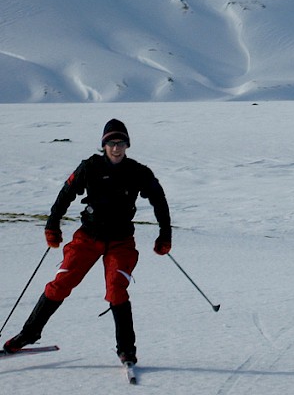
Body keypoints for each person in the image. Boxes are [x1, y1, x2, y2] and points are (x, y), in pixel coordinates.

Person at [3, 119, 172, 368]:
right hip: (87, 238)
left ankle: (126, 351)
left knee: (116, 289)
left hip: (120, 241)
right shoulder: (89, 167)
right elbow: (66, 194)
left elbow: (159, 200)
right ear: (104, 145)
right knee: (61, 283)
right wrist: (52, 225)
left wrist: (165, 235)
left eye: (121, 143)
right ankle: (29, 334)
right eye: (111, 143)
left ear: (127, 145)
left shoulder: (138, 172)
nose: (116, 148)